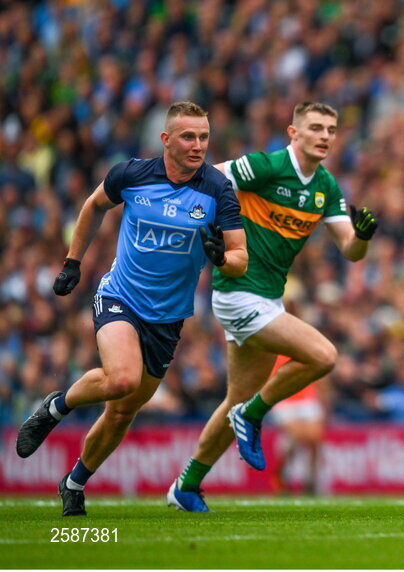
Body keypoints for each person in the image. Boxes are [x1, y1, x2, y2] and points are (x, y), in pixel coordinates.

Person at [15, 102, 248, 517]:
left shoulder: (217, 189)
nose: (198, 146)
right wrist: (73, 262)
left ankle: (73, 483)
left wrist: (221, 258)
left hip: (168, 319)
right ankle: (56, 407)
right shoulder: (132, 174)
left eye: (204, 138)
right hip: (120, 296)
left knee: (122, 412)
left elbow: (239, 255)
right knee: (122, 379)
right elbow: (93, 206)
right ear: (166, 139)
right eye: (189, 137)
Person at [167, 101, 377, 512]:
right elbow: (210, 178)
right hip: (237, 290)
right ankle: (254, 413)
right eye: (315, 127)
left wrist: (364, 236)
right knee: (324, 356)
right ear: (293, 132)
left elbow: (350, 249)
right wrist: (210, 227)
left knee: (233, 402)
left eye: (331, 130)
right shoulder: (266, 166)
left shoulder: (327, 188)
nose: (324, 136)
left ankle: (186, 485)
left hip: (268, 297)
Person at [264, 356, 326, 495]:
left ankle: (311, 480)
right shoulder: (273, 348)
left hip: (307, 396)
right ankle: (280, 475)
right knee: (297, 436)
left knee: (315, 440)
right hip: (284, 397)